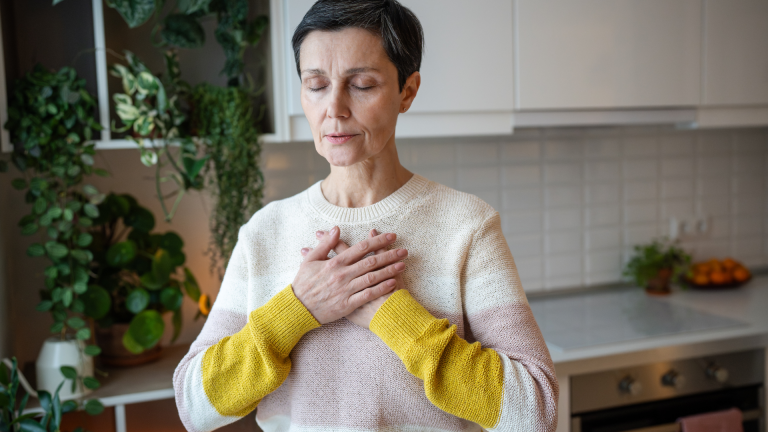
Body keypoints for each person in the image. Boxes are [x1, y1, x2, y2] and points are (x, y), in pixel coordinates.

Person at [173, 1, 558, 431]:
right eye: (316, 85)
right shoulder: (266, 231)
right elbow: (194, 405)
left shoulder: (466, 226)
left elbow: (534, 411)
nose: (333, 108)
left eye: (361, 84)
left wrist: (393, 317)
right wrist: (296, 310)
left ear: (407, 91)